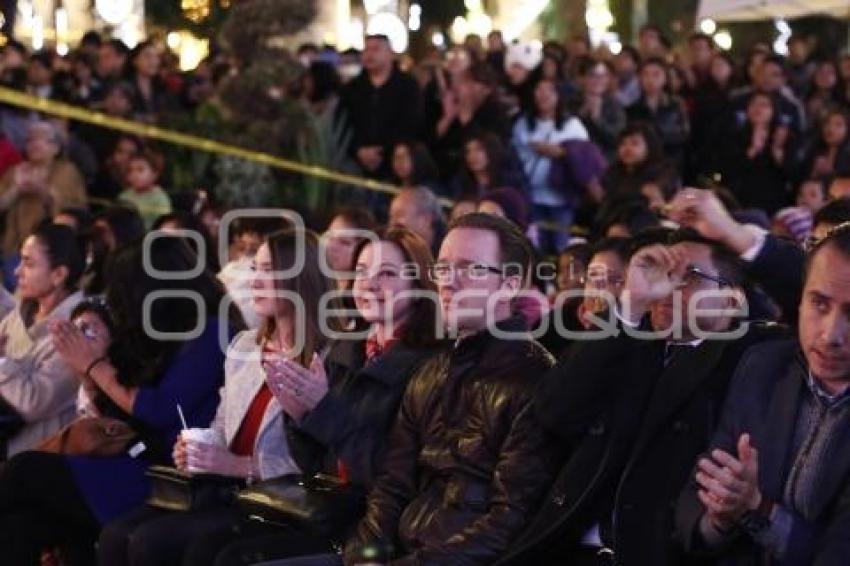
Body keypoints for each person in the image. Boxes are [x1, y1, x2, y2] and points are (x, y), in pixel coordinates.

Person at [501, 224, 785, 566]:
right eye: (665, 272)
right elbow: (553, 413)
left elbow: (813, 296)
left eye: (689, 276)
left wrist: (745, 239)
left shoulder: (753, 358)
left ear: (731, 298)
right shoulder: (627, 341)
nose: (668, 287)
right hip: (570, 545)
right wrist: (630, 305)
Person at [206, 226, 442, 564]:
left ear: (418, 285)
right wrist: (299, 416)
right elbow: (315, 464)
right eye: (361, 272)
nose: (369, 284)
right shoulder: (349, 350)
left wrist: (321, 410)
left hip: (376, 526)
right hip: (328, 508)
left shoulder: (428, 366)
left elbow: (392, 473)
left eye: (387, 274)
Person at [97, 229, 334, 566]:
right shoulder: (244, 346)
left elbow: (319, 462)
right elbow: (223, 424)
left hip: (280, 502)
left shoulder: (328, 360)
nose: (257, 279)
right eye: (256, 269)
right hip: (225, 490)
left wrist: (239, 465)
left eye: (269, 270)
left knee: (155, 543)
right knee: (115, 535)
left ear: (301, 278)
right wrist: (199, 447)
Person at [0, 236, 240, 564]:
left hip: (170, 476)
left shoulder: (213, 331)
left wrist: (95, 365)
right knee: (24, 521)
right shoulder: (171, 331)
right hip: (135, 459)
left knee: (24, 471)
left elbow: (160, 409)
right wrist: (89, 373)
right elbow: (122, 422)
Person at [337, 213, 557, 565]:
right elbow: (392, 485)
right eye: (443, 268)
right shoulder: (431, 370)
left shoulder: (534, 381)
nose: (448, 282)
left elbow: (510, 519)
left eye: (470, 268)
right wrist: (365, 556)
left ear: (510, 284)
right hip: (397, 550)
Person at [676, 222, 850, 565]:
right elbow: (697, 499)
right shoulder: (765, 366)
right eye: (819, 303)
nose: (831, 334)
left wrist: (757, 508)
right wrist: (721, 515)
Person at [0, 223, 84, 458]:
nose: (17, 272)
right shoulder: (19, 315)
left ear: (59, 274)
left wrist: (2, 362)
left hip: (38, 458)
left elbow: (33, 401)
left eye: (28, 263)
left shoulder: (77, 328)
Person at [0, 120, 87, 288]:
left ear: (55, 147)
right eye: (29, 140)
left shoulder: (67, 172)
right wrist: (16, 190)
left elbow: (76, 212)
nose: (32, 144)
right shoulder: (16, 171)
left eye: (39, 139)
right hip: (13, 247)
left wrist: (44, 193)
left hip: (51, 252)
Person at [513, 75, 589, 252]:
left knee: (560, 247)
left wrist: (562, 152)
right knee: (533, 247)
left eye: (550, 90)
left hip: (562, 198)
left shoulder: (572, 125)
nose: (543, 95)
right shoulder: (523, 124)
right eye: (539, 90)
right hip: (531, 195)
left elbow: (584, 158)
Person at [337, 34, 422, 180]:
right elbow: (344, 123)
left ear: (390, 54)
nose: (370, 55)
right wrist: (358, 149)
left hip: (395, 164)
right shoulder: (352, 88)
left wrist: (384, 150)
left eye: (376, 49)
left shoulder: (408, 86)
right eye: (367, 50)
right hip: (356, 165)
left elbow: (412, 122)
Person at [718, 91, 797, 216]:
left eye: (764, 105)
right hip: (740, 200)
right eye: (754, 104)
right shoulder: (735, 135)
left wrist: (777, 152)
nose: (758, 108)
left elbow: (792, 174)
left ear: (773, 111)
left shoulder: (784, 137)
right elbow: (727, 171)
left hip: (773, 201)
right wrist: (752, 150)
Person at [627, 57, 690, 171]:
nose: (650, 79)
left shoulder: (675, 104)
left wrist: (655, 139)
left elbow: (684, 134)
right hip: (642, 165)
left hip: (671, 162)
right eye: (645, 74)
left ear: (665, 78)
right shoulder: (633, 109)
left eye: (656, 75)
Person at [601, 122, 678, 202]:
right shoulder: (614, 171)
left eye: (634, 143)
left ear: (649, 147)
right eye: (622, 143)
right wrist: (641, 190)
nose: (627, 148)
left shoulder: (662, 171)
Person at [573, 58, 626, 157]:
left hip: (604, 158)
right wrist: (582, 113)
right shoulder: (571, 102)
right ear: (582, 78)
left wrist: (597, 118)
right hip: (575, 156)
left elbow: (618, 137)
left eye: (603, 76)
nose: (598, 80)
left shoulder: (615, 105)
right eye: (592, 75)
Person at [451, 132, 527, 200]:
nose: (472, 156)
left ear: (491, 151)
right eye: (468, 151)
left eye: (479, 149)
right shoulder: (461, 183)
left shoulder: (510, 181)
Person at [118, 150, 172, 229]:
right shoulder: (124, 196)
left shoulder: (159, 199)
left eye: (140, 170)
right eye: (130, 170)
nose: (134, 174)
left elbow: (165, 225)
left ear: (154, 174)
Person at [387, 186, 446, 255]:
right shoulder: (395, 253)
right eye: (391, 217)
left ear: (426, 220)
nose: (392, 223)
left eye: (399, 215)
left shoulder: (448, 253)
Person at [799, 109, 850, 181]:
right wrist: (814, 172)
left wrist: (830, 174)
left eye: (838, 125)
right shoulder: (813, 150)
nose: (830, 128)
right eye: (827, 123)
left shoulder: (847, 157)